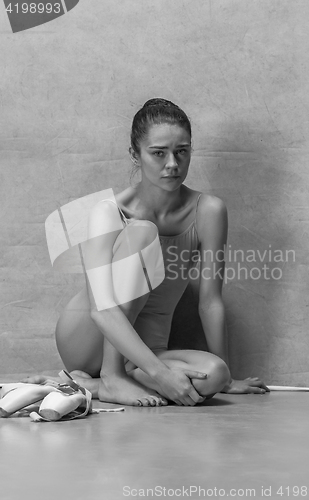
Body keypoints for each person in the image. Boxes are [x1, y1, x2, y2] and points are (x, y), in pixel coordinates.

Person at [26, 98, 269, 406]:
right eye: (158, 153)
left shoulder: (209, 210)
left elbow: (210, 302)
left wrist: (229, 379)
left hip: (146, 350)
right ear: (136, 155)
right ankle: (111, 377)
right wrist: (162, 375)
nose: (172, 164)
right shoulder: (108, 211)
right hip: (90, 336)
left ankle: (91, 385)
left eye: (182, 151)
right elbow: (101, 309)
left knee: (214, 374)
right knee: (142, 232)